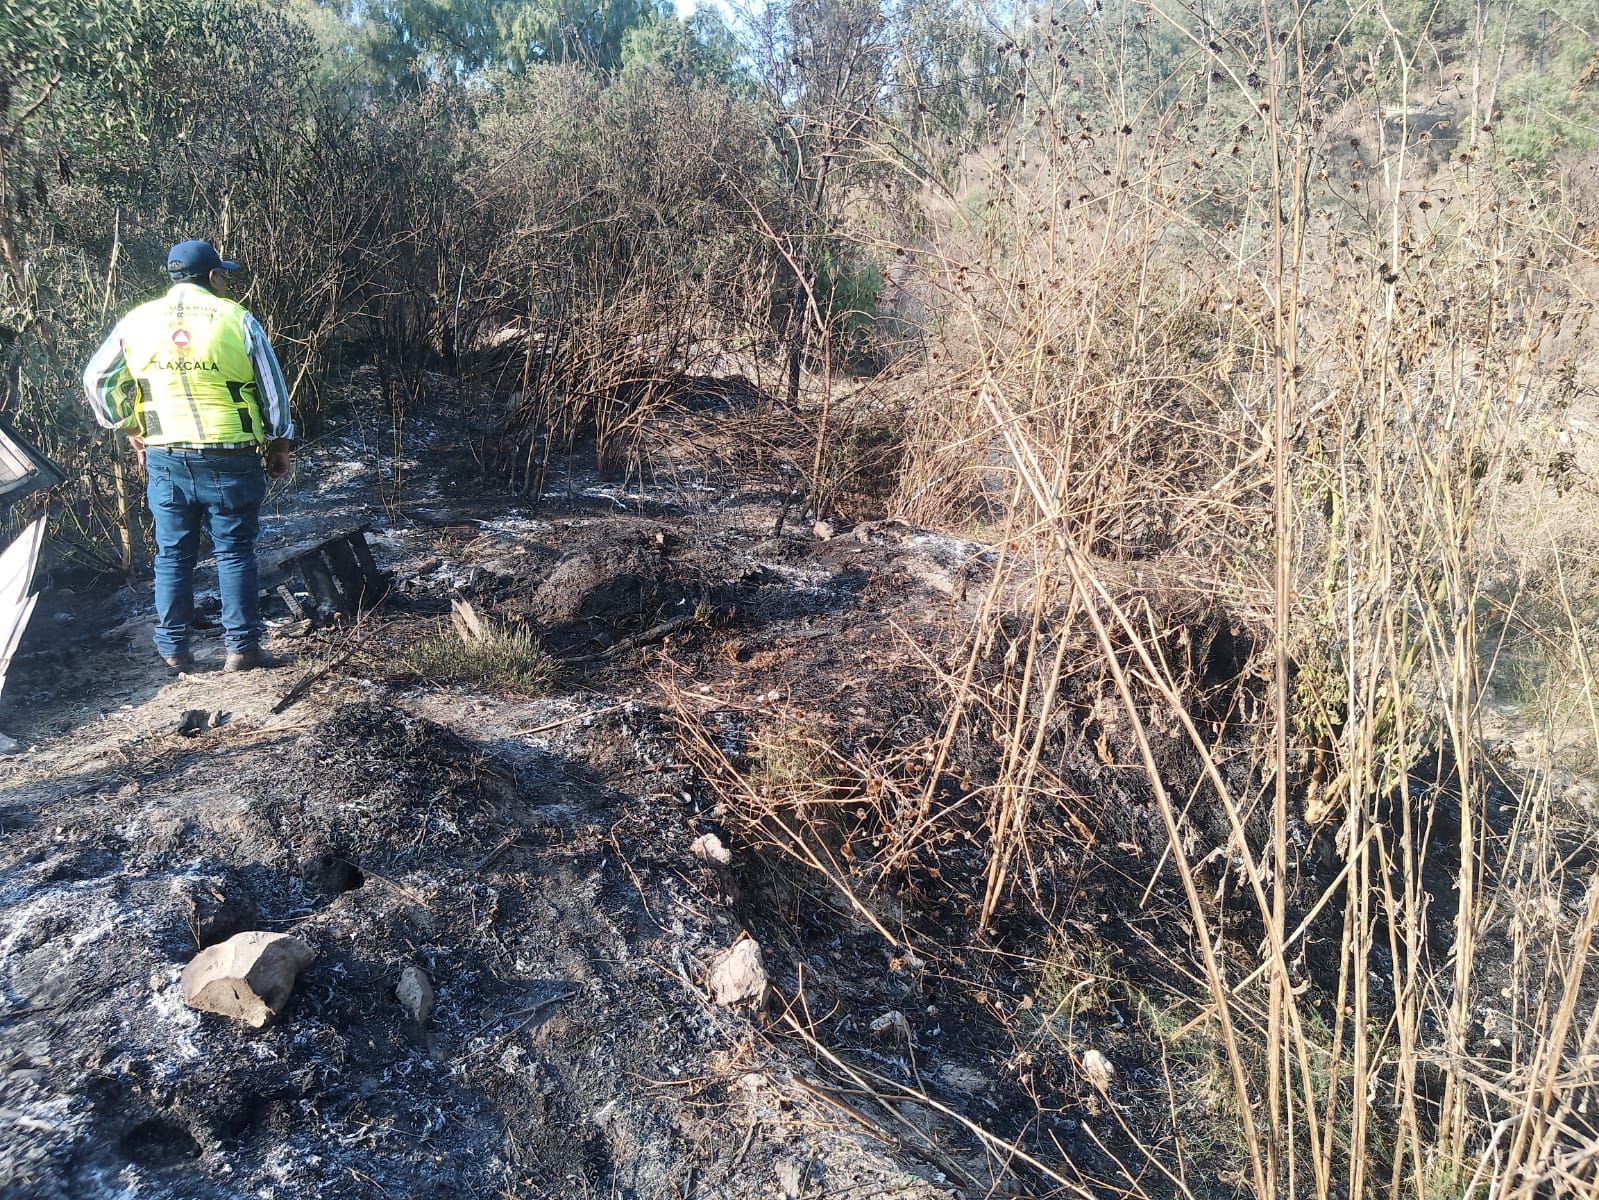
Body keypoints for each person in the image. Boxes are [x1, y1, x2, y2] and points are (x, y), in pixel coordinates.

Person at [82, 239, 294, 673]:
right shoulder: (237, 319)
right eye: (223, 275)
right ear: (213, 277)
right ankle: (242, 649)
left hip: (165, 453)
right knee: (234, 551)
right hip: (230, 453)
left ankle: (174, 650)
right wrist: (278, 442)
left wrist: (128, 425)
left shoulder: (136, 322)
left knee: (173, 553)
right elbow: (273, 392)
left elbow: (97, 378)